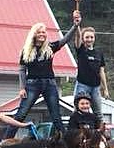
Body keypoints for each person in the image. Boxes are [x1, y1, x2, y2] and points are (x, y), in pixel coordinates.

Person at [6, 10, 82, 138]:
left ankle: (65, 142)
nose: (42, 34)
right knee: (21, 114)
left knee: (56, 116)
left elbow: (64, 40)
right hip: (32, 84)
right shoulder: (26, 51)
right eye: (39, 32)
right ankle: (5, 140)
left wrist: (75, 26)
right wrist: (22, 88)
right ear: (34, 34)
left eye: (44, 32)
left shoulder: (50, 48)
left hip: (49, 84)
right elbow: (22, 70)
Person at [73, 26, 110, 119]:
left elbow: (101, 71)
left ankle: (100, 133)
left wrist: (105, 89)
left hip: (95, 87)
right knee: (79, 112)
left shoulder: (99, 53)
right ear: (83, 38)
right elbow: (77, 37)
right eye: (87, 37)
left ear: (94, 38)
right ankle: (77, 132)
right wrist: (77, 25)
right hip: (82, 85)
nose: (89, 39)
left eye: (91, 37)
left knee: (98, 114)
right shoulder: (80, 49)